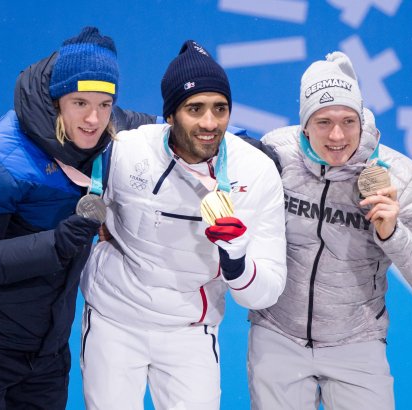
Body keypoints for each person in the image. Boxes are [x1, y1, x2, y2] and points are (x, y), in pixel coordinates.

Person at [0, 27, 157, 409]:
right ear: (57, 101)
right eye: (80, 103)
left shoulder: (109, 123)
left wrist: (245, 148)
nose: (93, 118)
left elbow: (170, 131)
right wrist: (55, 244)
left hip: (47, 350)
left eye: (104, 104)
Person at [79, 40, 287, 410]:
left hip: (190, 332)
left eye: (220, 109)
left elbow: (265, 293)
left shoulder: (255, 172)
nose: (210, 123)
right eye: (195, 109)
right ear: (170, 116)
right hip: (115, 320)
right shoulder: (127, 151)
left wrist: (237, 262)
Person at [248, 51, 412, 409]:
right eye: (323, 122)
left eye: (348, 121)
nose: (337, 135)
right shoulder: (276, 155)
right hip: (277, 335)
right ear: (303, 123)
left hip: (357, 342)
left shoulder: (401, 176)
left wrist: (394, 235)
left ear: (362, 119)